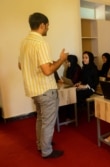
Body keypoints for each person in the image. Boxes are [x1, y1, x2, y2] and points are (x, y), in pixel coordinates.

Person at [18, 12, 68, 158]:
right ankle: (46, 151)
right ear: (42, 25)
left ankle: (41, 145)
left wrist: (49, 63)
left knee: (40, 119)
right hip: (45, 89)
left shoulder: (24, 42)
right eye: (47, 26)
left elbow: (22, 65)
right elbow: (47, 71)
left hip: (33, 89)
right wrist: (61, 59)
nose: (48, 28)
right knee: (47, 122)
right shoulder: (41, 43)